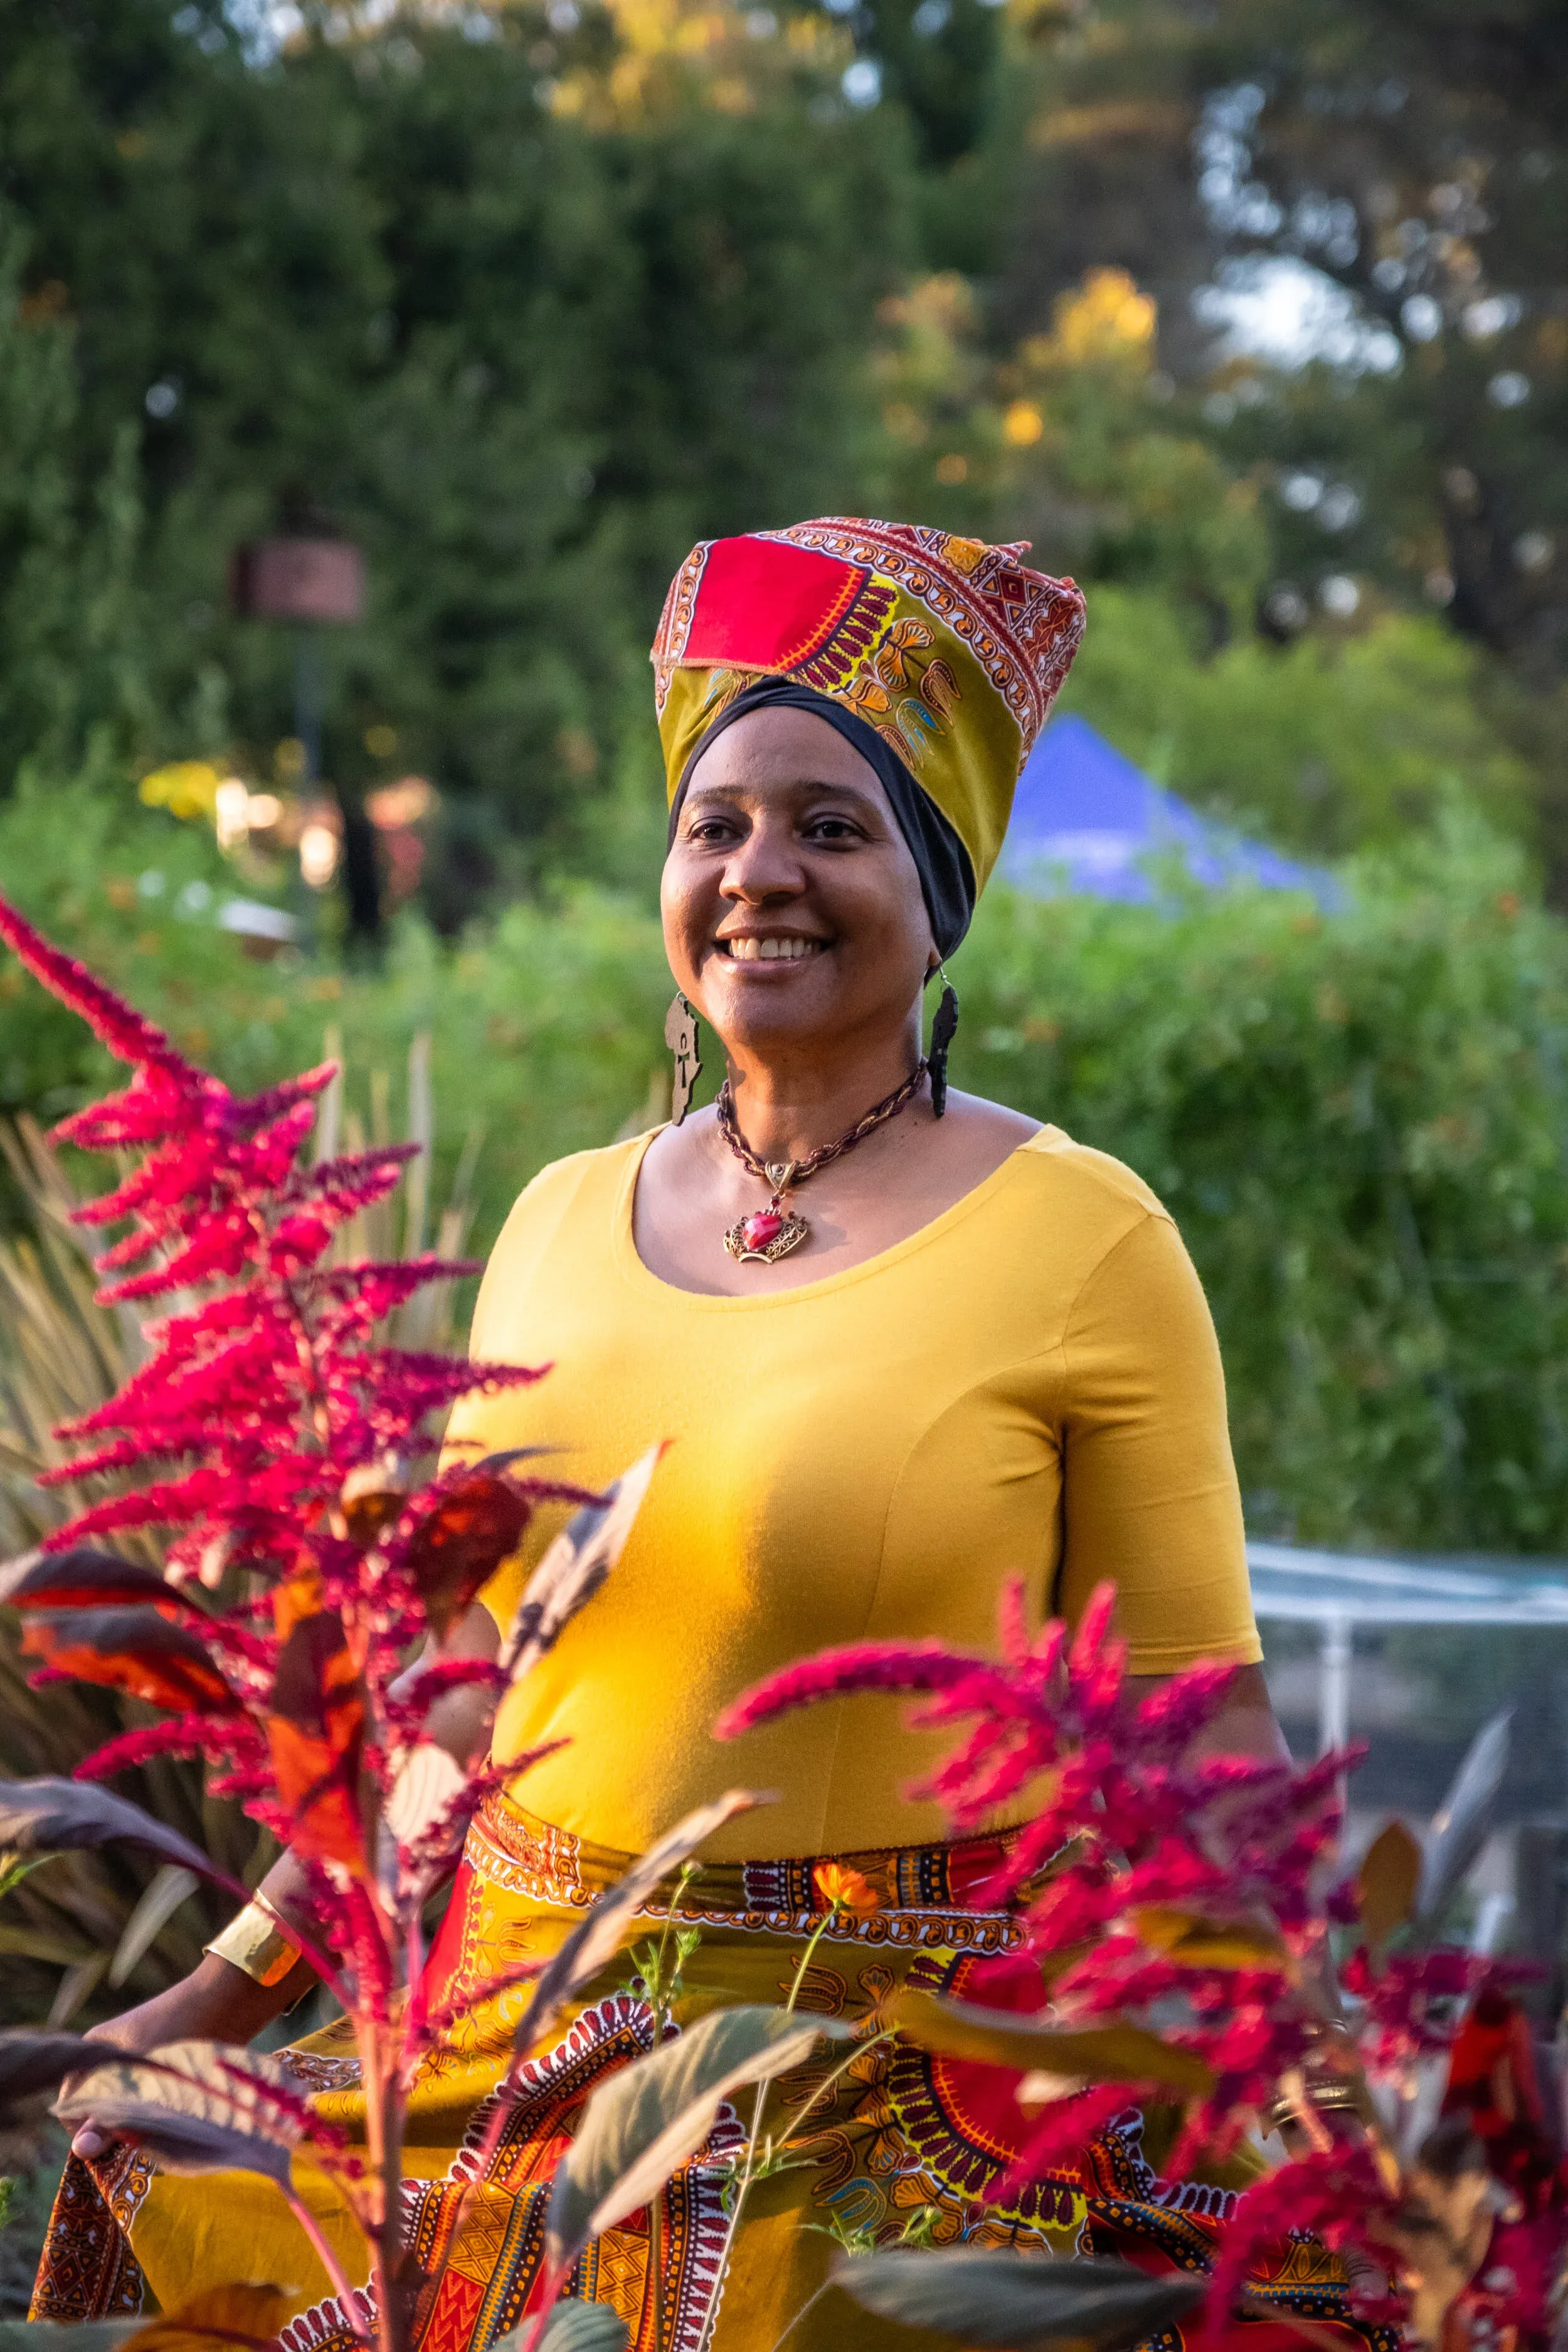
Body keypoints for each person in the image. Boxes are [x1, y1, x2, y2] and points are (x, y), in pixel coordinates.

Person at [36, 520, 1316, 2352]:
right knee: (177, 2196)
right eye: (711, 823)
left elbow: (1203, 1732)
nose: (756, 873)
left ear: (933, 886)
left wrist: (1333, 2062)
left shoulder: (1084, 1237)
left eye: (830, 824)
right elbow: (454, 1722)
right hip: (506, 2059)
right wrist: (201, 2011)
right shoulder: (558, 1219)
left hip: (879, 2095)